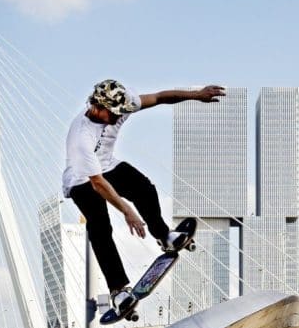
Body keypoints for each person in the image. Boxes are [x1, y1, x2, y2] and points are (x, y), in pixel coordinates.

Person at [63, 79, 225, 313]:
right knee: (100, 228)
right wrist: (128, 212)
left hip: (107, 166)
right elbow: (97, 183)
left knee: (144, 188)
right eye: (113, 114)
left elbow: (159, 97)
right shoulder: (80, 137)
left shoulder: (123, 103)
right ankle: (118, 290)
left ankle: (163, 236)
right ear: (98, 107)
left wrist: (195, 95)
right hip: (82, 179)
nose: (118, 118)